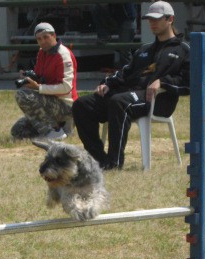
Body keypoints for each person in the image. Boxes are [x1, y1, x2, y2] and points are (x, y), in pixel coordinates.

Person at [72, 1, 190, 170]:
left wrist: (163, 82)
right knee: (81, 105)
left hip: (158, 101)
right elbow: (124, 72)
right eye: (150, 19)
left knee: (120, 102)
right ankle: (97, 159)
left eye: (157, 19)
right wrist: (107, 83)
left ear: (170, 19)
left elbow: (191, 82)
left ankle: (114, 163)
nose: (152, 23)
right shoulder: (144, 49)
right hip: (127, 94)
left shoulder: (183, 50)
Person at [10, 22, 78, 141]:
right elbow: (39, 75)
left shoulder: (63, 54)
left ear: (54, 36)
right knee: (17, 130)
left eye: (46, 37)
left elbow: (66, 88)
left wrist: (38, 87)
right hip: (49, 101)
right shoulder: (42, 52)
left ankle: (55, 131)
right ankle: (58, 129)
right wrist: (29, 78)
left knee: (22, 95)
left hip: (67, 105)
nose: (43, 41)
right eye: (39, 39)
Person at [92, 3, 137, 68]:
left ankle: (128, 73)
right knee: (96, 7)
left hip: (127, 19)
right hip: (116, 18)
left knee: (124, 50)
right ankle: (104, 37)